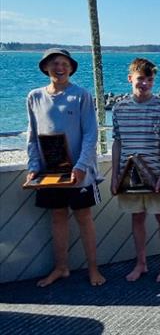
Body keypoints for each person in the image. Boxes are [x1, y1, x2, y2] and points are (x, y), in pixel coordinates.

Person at [26, 48, 105, 287]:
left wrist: (81, 166)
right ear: (46, 68)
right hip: (50, 172)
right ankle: (61, 268)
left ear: (70, 68)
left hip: (78, 171)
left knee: (84, 217)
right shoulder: (34, 96)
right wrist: (33, 167)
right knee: (57, 217)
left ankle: (94, 269)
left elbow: (91, 134)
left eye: (63, 63)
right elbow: (32, 135)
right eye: (54, 63)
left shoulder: (81, 95)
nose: (59, 68)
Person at [111, 58, 160, 282]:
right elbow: (117, 142)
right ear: (131, 79)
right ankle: (141, 264)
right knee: (137, 217)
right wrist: (115, 176)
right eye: (141, 79)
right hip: (129, 174)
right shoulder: (119, 108)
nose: (145, 83)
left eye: (150, 79)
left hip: (157, 173)